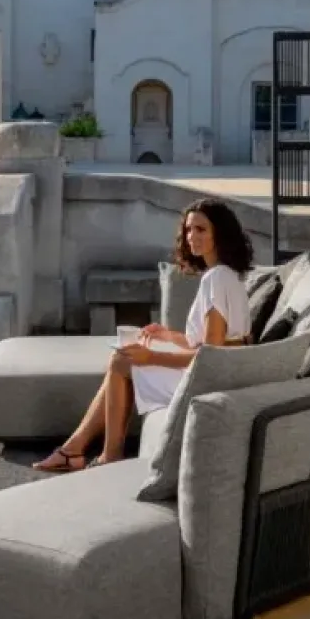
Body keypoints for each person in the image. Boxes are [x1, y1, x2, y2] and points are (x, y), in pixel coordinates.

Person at [32, 198, 254, 472]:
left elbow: (210, 353)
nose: (191, 236)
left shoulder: (216, 278)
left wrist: (151, 356)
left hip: (210, 380)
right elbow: (216, 342)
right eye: (188, 229)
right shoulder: (228, 275)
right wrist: (166, 335)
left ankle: (105, 457)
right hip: (222, 373)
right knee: (124, 357)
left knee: (121, 362)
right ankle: (75, 450)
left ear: (219, 233)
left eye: (201, 229)